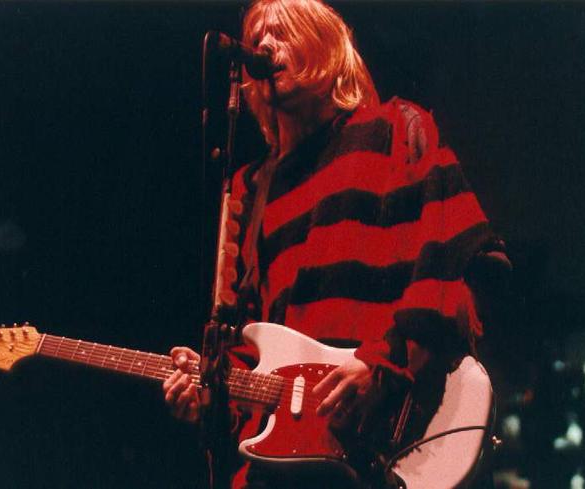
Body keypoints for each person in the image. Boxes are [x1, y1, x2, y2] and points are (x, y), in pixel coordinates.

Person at [163, 0, 508, 487]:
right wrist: (212, 396)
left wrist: (386, 361)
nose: (263, 46)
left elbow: (465, 264)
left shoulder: (395, 130)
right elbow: (250, 343)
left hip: (386, 447)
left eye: (282, 32)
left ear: (323, 45)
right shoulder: (251, 189)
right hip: (286, 464)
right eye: (256, 37)